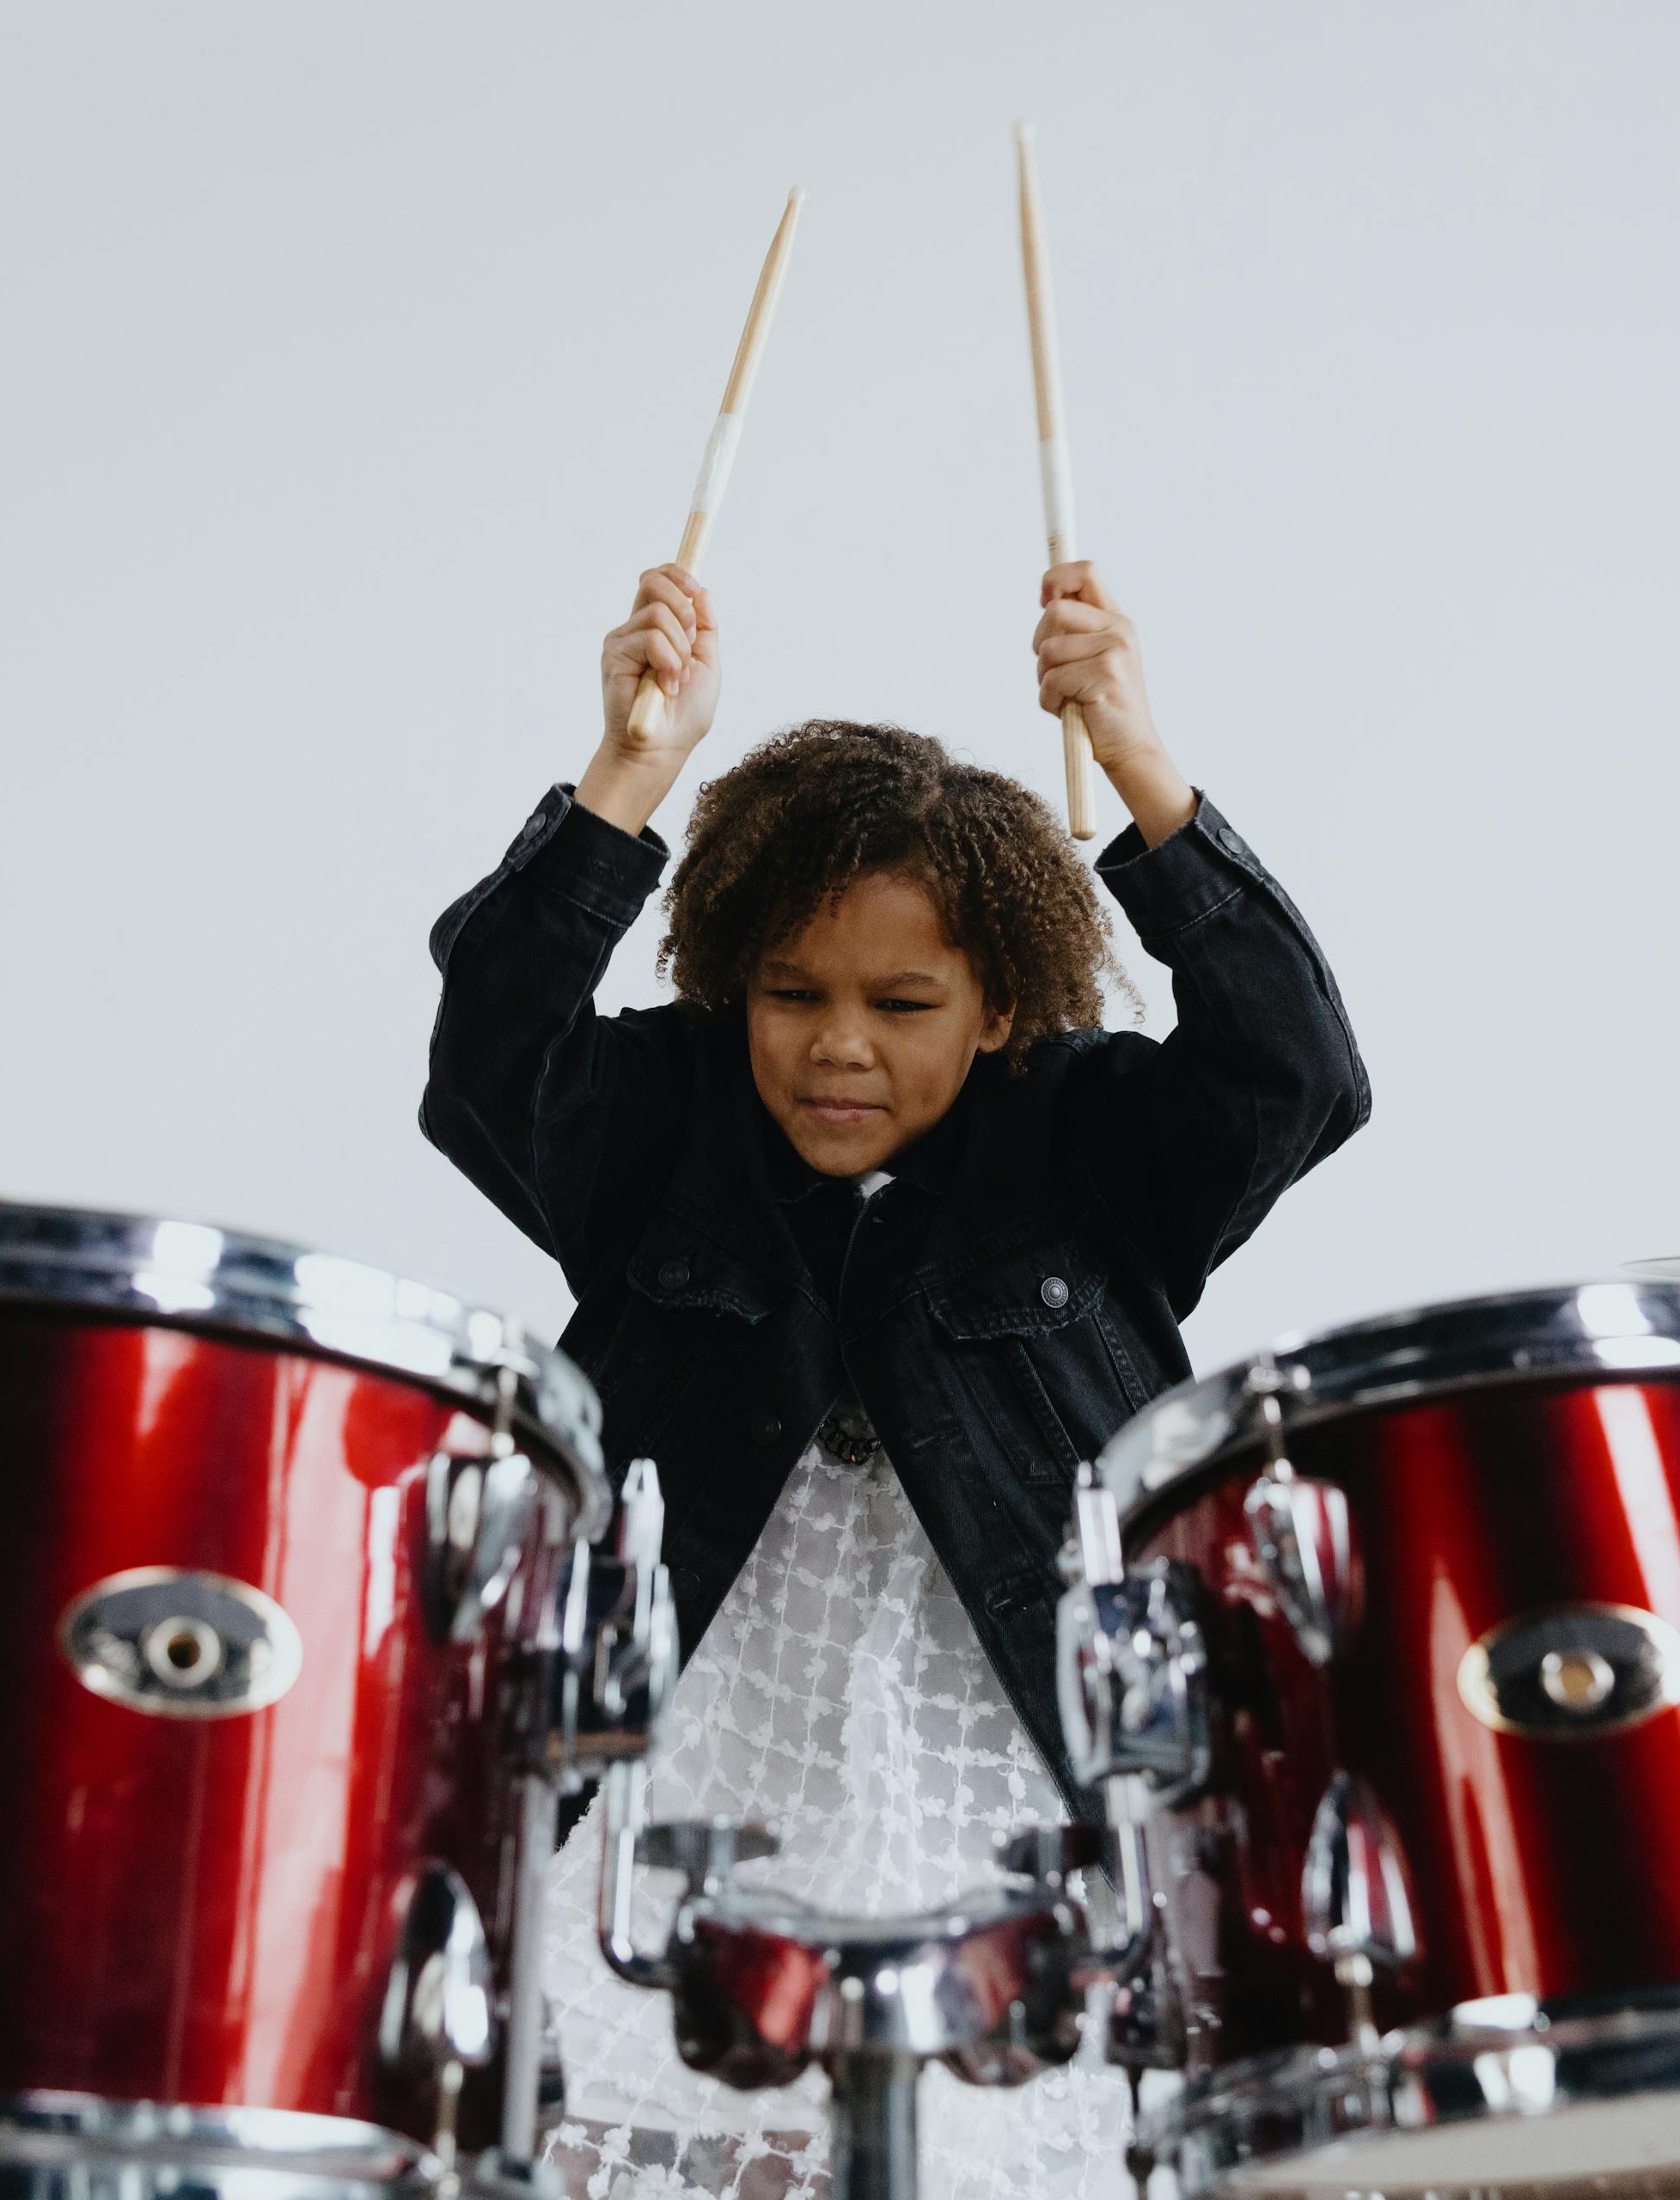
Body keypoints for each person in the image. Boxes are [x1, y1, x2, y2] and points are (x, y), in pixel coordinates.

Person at [420, 559, 1371, 2199]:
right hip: (694, 1752)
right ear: (734, 986)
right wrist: (626, 777)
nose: (837, 1044)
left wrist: (1145, 770)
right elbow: (487, 1059)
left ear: (1002, 1004)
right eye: (792, 995)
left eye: (902, 1004)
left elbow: (1298, 1073)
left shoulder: (1091, 1146)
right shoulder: (661, 1125)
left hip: (998, 1752)